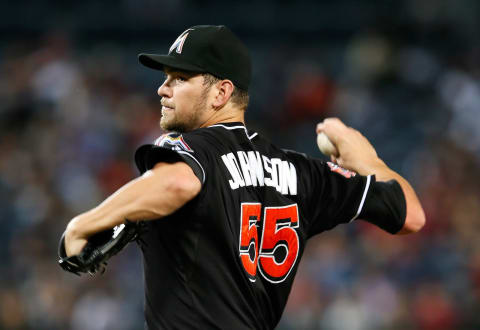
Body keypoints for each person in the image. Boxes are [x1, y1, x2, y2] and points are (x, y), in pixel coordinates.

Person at [63, 25, 425, 329]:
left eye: (180, 78)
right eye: (165, 78)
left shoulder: (192, 148)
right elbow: (410, 214)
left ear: (221, 91)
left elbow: (179, 183)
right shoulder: (304, 173)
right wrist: (369, 160)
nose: (163, 88)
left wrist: (83, 224)